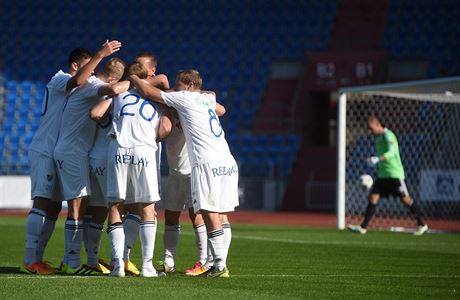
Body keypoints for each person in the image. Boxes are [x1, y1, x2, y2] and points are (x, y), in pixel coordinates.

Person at [20, 42, 120, 275]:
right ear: (75, 66)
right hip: (44, 148)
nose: (92, 73)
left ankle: (38, 258)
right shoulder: (59, 79)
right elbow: (77, 81)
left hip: (57, 149)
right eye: (88, 68)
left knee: (54, 208)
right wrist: (101, 55)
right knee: (43, 202)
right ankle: (29, 258)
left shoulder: (79, 89)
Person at [129, 69, 239, 278]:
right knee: (222, 215)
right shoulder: (206, 98)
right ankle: (219, 264)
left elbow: (147, 91)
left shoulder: (185, 98)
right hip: (226, 160)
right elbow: (221, 109)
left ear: (188, 85)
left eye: (178, 84)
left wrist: (132, 77)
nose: (175, 88)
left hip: (207, 162)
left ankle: (218, 264)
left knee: (208, 212)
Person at [54, 56, 129, 274]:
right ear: (115, 77)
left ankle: (74, 259)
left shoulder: (88, 84)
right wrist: (135, 82)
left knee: (84, 206)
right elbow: (113, 91)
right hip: (72, 151)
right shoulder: (94, 85)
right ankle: (72, 261)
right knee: (77, 207)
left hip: (77, 151)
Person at [105, 62, 172, 277]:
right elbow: (165, 129)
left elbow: (95, 112)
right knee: (147, 208)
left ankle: (117, 266)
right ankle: (147, 266)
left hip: (119, 148)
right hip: (144, 150)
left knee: (115, 206)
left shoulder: (119, 95)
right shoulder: (158, 98)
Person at [347, 116, 429, 235]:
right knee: (372, 198)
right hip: (382, 176)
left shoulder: (388, 135)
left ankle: (422, 224)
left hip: (394, 174)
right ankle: (363, 227)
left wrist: (378, 159)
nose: (371, 132)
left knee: (406, 200)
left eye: (371, 128)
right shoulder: (378, 138)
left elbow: (392, 152)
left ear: (377, 125)